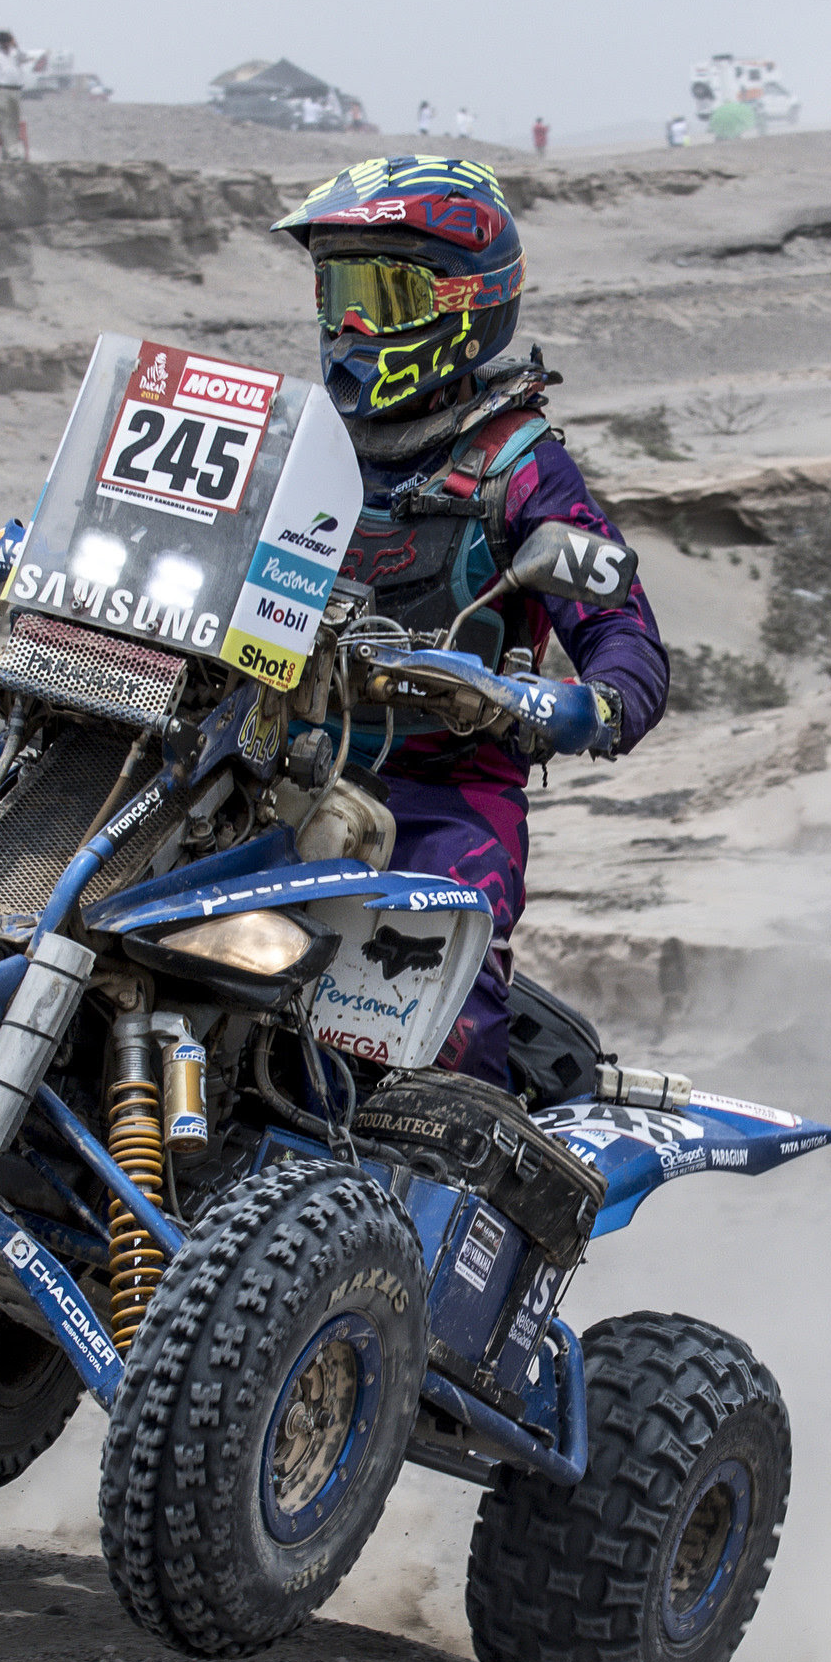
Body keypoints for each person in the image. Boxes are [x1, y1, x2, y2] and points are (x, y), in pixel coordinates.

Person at [271, 156, 666, 1087]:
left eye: (386, 294)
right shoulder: (294, 441)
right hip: (263, 770)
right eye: (340, 292)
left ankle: (426, 1211)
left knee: (443, 1031)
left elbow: (627, 640)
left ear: (465, 302)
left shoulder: (519, 467)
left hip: (437, 800)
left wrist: (568, 707)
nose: (355, 325)